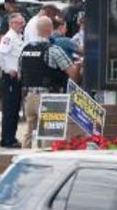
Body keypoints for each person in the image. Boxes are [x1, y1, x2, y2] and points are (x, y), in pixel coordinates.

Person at [19, 16, 79, 148]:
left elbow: (20, 74)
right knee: (49, 137)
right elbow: (72, 73)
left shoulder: (25, 50)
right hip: (49, 98)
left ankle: (23, 161)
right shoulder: (53, 50)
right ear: (51, 29)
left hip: (29, 97)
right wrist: (79, 66)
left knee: (29, 134)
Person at [0, 12, 26, 149]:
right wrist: (7, 69)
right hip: (10, 78)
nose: (22, 26)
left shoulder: (19, 37)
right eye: (19, 23)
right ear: (12, 24)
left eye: (22, 23)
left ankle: (11, 136)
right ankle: (7, 138)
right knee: (10, 109)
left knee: (15, 109)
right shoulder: (9, 37)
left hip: (17, 77)